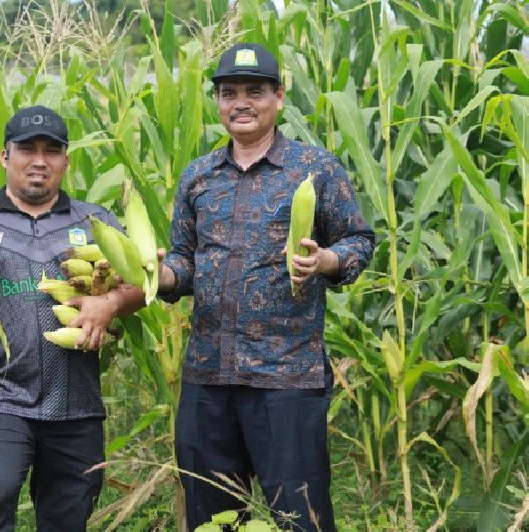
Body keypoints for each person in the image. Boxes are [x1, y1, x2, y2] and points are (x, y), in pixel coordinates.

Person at [157, 43, 375, 532]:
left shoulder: (316, 169)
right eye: (228, 92)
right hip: (208, 378)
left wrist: (326, 260)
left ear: (279, 97)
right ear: (217, 102)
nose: (240, 103)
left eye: (254, 91)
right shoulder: (197, 177)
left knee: (300, 517)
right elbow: (184, 262)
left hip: (287, 380)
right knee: (211, 518)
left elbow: (359, 240)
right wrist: (162, 275)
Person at [0, 105, 145, 532]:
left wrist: (109, 303)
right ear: (5, 157)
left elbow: (142, 284)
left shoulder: (95, 222)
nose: (39, 161)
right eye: (27, 150)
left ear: (66, 161)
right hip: (1, 394)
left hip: (76, 401)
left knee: (69, 515)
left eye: (52, 151)